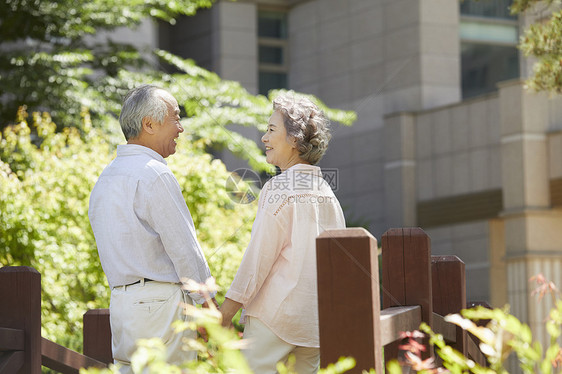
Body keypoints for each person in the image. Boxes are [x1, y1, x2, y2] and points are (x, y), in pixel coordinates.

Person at [88, 84, 216, 372]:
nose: (181, 128)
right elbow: (185, 250)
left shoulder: (104, 179)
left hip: (121, 305)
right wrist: (209, 309)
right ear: (149, 124)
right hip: (161, 307)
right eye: (176, 117)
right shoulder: (154, 173)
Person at [220, 93, 346, 374]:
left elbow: (258, 257)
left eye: (271, 129)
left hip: (273, 318)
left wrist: (226, 311)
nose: (264, 138)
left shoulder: (278, 188)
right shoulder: (328, 194)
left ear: (294, 139)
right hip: (314, 324)